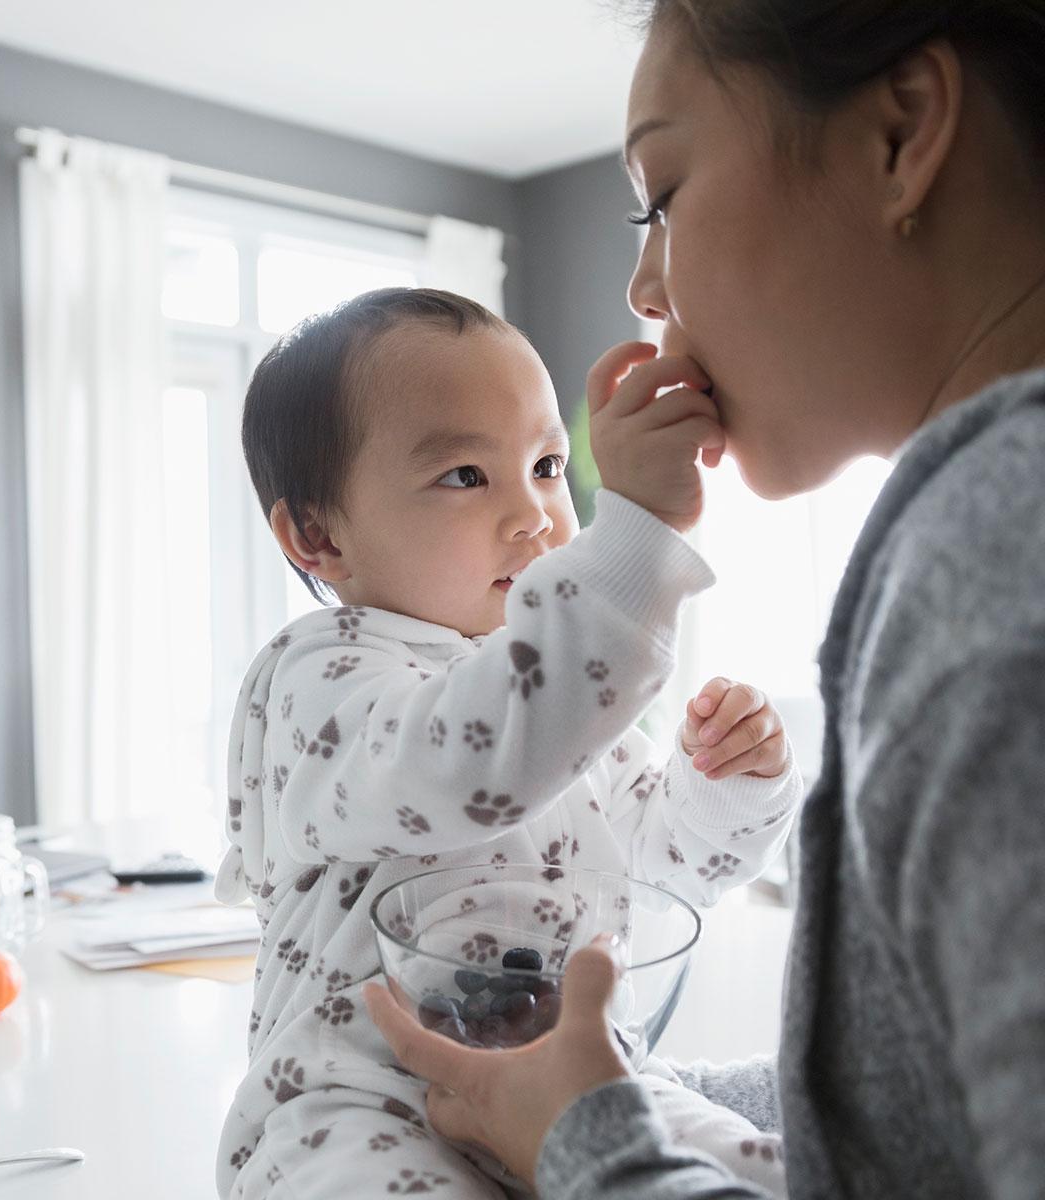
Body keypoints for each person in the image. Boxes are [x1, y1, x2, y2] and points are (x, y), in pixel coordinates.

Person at [364, 2, 1045, 1197]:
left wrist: (590, 1147)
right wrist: (616, 1101)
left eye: (662, 195)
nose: (642, 282)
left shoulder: (999, 556)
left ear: (903, 133)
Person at [213, 286, 803, 1198]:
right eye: (464, 476)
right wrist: (635, 539)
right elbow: (470, 761)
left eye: (549, 466)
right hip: (366, 1100)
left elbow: (672, 866)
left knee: (769, 1170)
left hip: (582, 1080)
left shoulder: (555, 691)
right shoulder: (318, 673)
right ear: (319, 536)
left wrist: (730, 783)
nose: (536, 516)